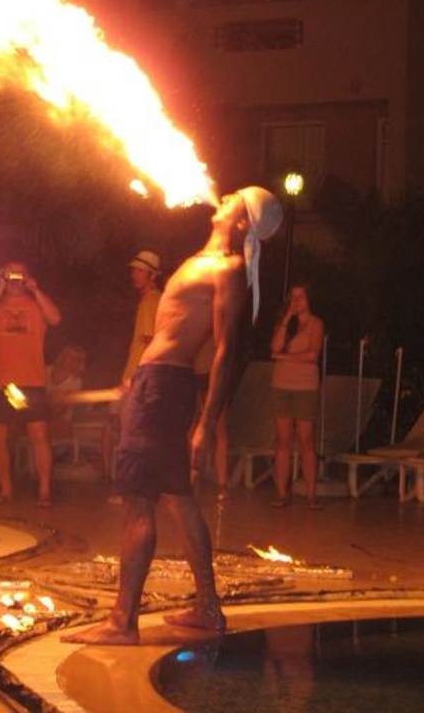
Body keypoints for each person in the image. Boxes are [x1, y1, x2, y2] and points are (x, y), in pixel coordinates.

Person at [64, 187, 283, 645]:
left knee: (138, 500)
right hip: (156, 384)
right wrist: (138, 382)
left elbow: (228, 352)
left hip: (163, 387)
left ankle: (122, 622)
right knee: (177, 497)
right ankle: (208, 608)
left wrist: (207, 421)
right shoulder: (205, 261)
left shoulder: (228, 269)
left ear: (244, 223)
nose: (224, 196)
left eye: (236, 200)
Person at [0, 260, 61, 506]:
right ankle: (5, 489)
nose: (15, 278)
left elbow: (55, 319)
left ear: (27, 276)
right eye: (10, 273)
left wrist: (35, 289)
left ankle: (44, 491)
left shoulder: (36, 303)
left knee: (38, 435)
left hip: (30, 380)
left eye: (19, 274)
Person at [104, 250, 162, 494]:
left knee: (131, 435)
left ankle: (133, 488)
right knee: (135, 434)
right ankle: (139, 486)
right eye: (134, 270)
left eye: (140, 271)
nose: (134, 275)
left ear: (152, 275)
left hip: (139, 378)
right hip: (142, 376)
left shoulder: (150, 302)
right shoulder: (153, 300)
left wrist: (134, 380)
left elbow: (150, 343)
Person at [270, 283, 325, 509]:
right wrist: (286, 319)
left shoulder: (316, 323)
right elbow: (274, 347)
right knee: (283, 441)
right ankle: (282, 494)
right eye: (293, 297)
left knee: (306, 440)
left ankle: (311, 495)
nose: (296, 301)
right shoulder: (285, 323)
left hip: (305, 386)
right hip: (281, 385)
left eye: (300, 297)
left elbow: (312, 354)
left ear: (309, 299)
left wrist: (284, 357)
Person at [192, 336, 230, 499]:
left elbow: (224, 345)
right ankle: (189, 478)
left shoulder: (219, 323)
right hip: (191, 373)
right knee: (189, 428)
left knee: (219, 429)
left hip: (213, 375)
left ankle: (222, 484)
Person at [46, 343, 86, 447]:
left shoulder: (76, 382)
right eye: (70, 356)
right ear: (62, 357)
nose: (72, 360)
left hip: (60, 418)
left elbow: (64, 407)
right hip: (39, 413)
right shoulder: (45, 371)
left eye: (76, 359)